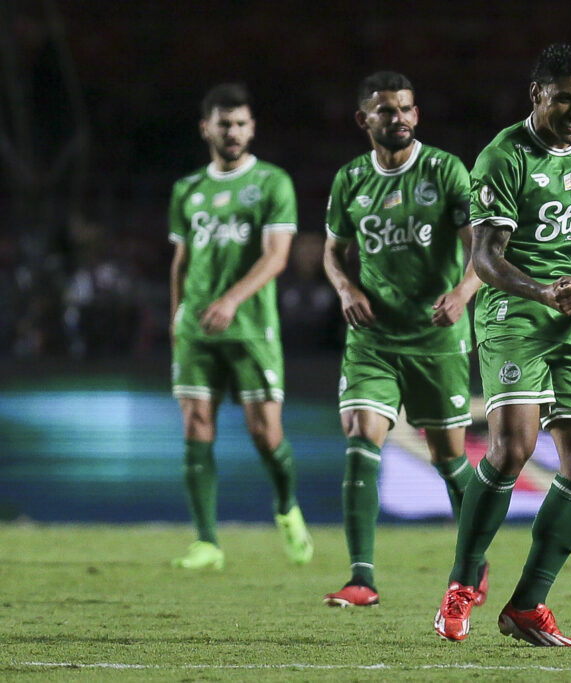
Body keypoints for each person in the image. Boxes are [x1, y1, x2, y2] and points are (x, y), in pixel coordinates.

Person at [433, 43, 571, 647]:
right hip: (514, 311)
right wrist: (541, 291)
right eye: (566, 99)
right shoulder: (502, 157)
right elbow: (485, 258)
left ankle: (527, 605)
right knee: (514, 446)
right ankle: (462, 582)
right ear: (537, 97)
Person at [321, 71, 485, 608]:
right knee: (361, 434)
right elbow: (331, 250)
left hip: (437, 336)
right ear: (363, 119)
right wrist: (345, 288)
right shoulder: (350, 180)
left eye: (407, 109)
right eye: (387, 111)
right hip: (373, 338)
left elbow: (480, 251)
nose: (399, 119)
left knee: (448, 457)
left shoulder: (445, 170)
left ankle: (473, 562)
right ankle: (362, 578)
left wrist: (464, 292)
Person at [168, 83, 313, 570]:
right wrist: (176, 316)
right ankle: (207, 541)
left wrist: (231, 300)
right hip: (197, 329)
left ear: (252, 128)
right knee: (195, 422)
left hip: (250, 325)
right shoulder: (186, 190)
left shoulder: (273, 183)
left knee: (264, 432)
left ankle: (287, 508)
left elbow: (277, 258)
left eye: (241, 123)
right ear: (205, 127)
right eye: (223, 123)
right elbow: (181, 261)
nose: (232, 131)